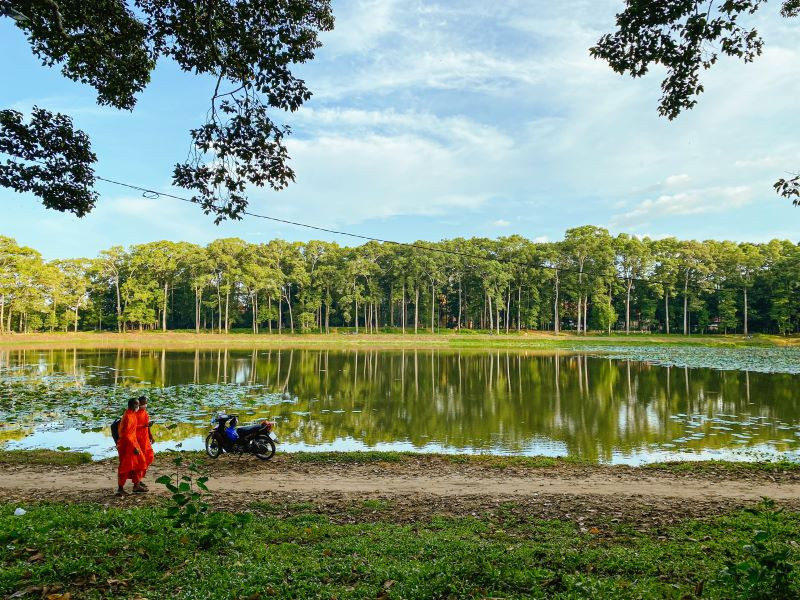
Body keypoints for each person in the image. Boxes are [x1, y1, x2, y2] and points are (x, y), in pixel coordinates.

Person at [116, 397, 147, 496]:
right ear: (132, 405)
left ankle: (136, 485)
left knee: (140, 463)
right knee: (125, 467)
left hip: (133, 443)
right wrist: (134, 447)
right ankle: (120, 489)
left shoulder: (131, 414)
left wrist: (144, 426)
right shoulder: (128, 416)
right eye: (137, 405)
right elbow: (126, 434)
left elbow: (133, 429)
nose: (138, 406)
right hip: (127, 445)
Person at [135, 395, 155, 488]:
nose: (145, 405)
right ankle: (137, 482)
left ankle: (139, 478)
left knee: (149, 457)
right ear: (139, 404)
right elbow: (133, 428)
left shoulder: (145, 413)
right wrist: (144, 426)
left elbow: (147, 426)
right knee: (140, 461)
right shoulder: (135, 413)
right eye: (143, 403)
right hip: (138, 439)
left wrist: (151, 435)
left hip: (145, 438)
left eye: (146, 403)